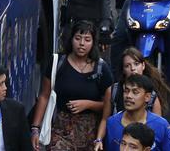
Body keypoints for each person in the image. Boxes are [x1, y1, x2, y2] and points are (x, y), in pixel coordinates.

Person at [30, 20, 113, 151]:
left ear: (93, 43)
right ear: (71, 39)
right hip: (59, 128)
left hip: (89, 132)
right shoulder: (58, 62)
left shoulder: (101, 68)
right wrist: (35, 128)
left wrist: (88, 104)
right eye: (78, 38)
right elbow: (44, 96)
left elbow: (108, 106)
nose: (82, 44)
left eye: (87, 40)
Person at [101, 74, 170, 151]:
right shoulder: (111, 123)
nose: (128, 96)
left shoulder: (161, 125)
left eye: (135, 92)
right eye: (126, 91)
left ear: (147, 97)